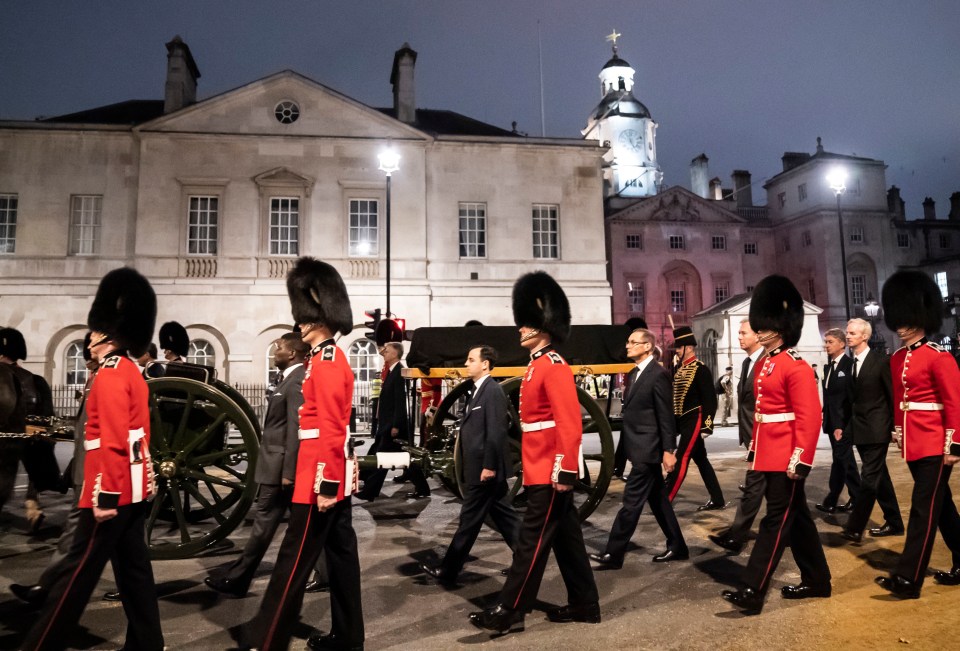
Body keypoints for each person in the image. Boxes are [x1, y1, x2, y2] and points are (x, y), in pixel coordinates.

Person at [20, 267, 164, 651]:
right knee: (134, 573)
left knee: (76, 579)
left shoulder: (112, 374)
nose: (90, 340)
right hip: (128, 490)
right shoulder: (128, 370)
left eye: (96, 333)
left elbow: (114, 441)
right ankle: (147, 642)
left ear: (108, 334)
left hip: (109, 493)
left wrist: (104, 497)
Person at [241, 257, 363, 651]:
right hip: (324, 474)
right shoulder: (321, 360)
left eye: (304, 318)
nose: (299, 325)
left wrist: (326, 484)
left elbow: (328, 427)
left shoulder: (326, 362)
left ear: (316, 319)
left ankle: (267, 639)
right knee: (342, 561)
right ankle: (347, 638)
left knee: (291, 565)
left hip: (318, 480)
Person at [469, 271, 599, 635]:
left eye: (526, 324)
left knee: (531, 542)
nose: (520, 330)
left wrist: (564, 470)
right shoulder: (538, 365)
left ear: (543, 327)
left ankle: (510, 610)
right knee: (568, 539)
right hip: (540, 465)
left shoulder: (553, 365)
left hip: (550, 470)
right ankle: (585, 604)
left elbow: (569, 423)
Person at [721, 275, 831, 615]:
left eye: (764, 325)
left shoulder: (794, 366)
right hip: (769, 454)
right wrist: (756, 448)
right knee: (797, 519)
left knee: (775, 521)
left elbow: (809, 417)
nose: (759, 330)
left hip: (786, 457)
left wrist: (801, 459)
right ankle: (817, 579)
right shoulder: (768, 363)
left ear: (779, 327)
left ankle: (753, 588)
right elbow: (763, 414)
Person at [10, 334, 117, 608]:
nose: (89, 351)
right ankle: (47, 588)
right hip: (88, 471)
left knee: (76, 535)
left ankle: (47, 590)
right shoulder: (97, 378)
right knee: (127, 552)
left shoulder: (110, 377)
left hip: (96, 477)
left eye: (92, 345)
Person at [875, 270, 960, 598]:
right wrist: (898, 432)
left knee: (923, 507)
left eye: (908, 318)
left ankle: (908, 578)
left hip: (937, 443)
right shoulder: (897, 358)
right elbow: (900, 400)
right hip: (913, 442)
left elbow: (953, 402)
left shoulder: (939, 357)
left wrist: (953, 442)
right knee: (943, 508)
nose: (902, 325)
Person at [205, 332, 308, 597]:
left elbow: (295, 428)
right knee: (299, 526)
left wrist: (288, 472)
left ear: (293, 353)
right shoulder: (285, 379)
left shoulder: (296, 381)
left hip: (279, 468)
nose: (276, 350)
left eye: (280, 347)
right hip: (274, 463)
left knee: (265, 525)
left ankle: (239, 579)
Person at [419, 345, 520, 585]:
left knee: (469, 521)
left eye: (471, 359)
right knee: (507, 520)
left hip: (484, 470)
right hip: (479, 468)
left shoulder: (492, 391)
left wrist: (490, 466)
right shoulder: (478, 391)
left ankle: (449, 569)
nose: (466, 363)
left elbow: (495, 433)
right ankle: (527, 559)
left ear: (485, 364)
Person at [590, 328, 687, 568]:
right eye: (628, 342)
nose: (627, 346)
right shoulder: (634, 374)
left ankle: (614, 553)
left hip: (649, 449)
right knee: (659, 502)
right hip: (639, 447)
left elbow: (665, 416)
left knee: (631, 503)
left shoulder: (658, 375)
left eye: (633, 342)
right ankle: (678, 546)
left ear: (647, 347)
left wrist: (668, 450)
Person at [840, 318, 903, 542]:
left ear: (864, 336)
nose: (848, 336)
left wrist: (896, 427)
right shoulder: (850, 364)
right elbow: (851, 400)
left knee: (868, 479)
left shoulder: (881, 362)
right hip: (859, 429)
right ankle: (895, 521)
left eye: (852, 333)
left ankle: (855, 527)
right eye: (847, 333)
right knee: (879, 477)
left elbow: (892, 396)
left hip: (877, 428)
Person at [710, 318, 766, 554]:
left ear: (758, 336)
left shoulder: (766, 361)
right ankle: (792, 530)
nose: (740, 337)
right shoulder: (747, 362)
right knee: (776, 492)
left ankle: (738, 533)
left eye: (744, 333)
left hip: (763, 435)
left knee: (754, 486)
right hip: (751, 432)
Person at [0, 327, 59, 533]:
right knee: (37, 454)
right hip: (31, 434)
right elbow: (46, 421)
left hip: (5, 438)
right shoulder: (35, 381)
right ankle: (32, 503)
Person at [355, 342, 431, 501]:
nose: (384, 353)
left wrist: (396, 425)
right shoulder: (392, 371)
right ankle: (423, 488)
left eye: (387, 351)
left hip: (393, 426)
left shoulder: (399, 372)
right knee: (406, 459)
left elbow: (401, 402)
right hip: (388, 425)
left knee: (382, 458)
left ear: (395, 353)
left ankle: (370, 491)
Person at [664, 326, 725, 511]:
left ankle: (666, 499)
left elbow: (710, 400)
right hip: (683, 420)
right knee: (701, 459)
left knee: (682, 458)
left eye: (679, 348)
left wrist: (707, 426)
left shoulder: (700, 370)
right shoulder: (679, 369)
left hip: (695, 418)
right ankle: (718, 499)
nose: (677, 351)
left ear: (688, 348)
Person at [816, 327, 860, 515]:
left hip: (842, 425)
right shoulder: (828, 367)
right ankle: (855, 500)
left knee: (842, 462)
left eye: (830, 342)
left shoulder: (850, 365)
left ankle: (833, 500)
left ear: (842, 344)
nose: (826, 345)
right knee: (845, 462)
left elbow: (848, 400)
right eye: (826, 342)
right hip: (831, 423)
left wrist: (842, 426)